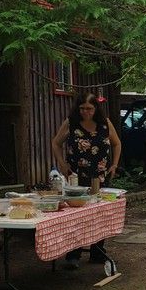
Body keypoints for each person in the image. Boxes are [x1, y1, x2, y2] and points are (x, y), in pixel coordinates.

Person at [51, 93, 122, 268]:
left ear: (96, 108)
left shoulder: (105, 123)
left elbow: (117, 143)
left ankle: (97, 252)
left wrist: (114, 165)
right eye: (82, 108)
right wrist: (62, 164)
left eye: (89, 108)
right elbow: (56, 143)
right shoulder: (71, 123)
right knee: (76, 215)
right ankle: (73, 255)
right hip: (76, 176)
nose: (85, 112)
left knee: (100, 214)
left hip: (100, 176)